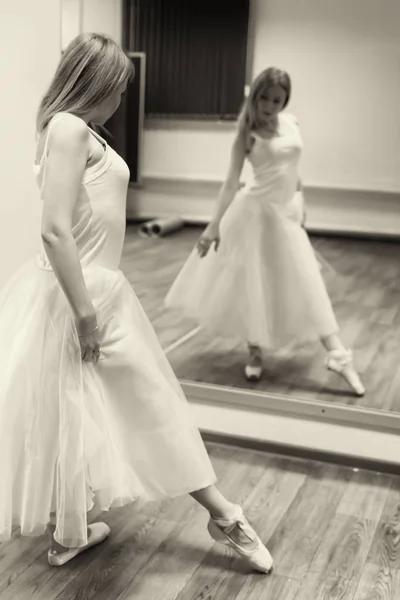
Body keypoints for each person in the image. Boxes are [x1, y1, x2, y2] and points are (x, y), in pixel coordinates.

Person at [0, 33, 272, 573]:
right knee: (152, 406)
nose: (121, 100)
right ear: (97, 82)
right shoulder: (70, 127)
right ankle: (224, 514)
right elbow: (55, 231)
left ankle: (71, 531)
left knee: (73, 414)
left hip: (86, 291)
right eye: (119, 88)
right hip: (86, 296)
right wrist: (85, 315)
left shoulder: (68, 128)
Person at [165, 67, 365, 397]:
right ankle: (257, 349)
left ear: (285, 100)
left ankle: (338, 355)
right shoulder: (247, 134)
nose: (271, 106)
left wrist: (302, 202)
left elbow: (295, 172)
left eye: (278, 99)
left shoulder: (291, 123)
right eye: (265, 99)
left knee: (304, 283)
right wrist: (213, 225)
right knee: (253, 283)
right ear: (255, 96)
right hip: (254, 213)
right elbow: (230, 182)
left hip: (287, 214)